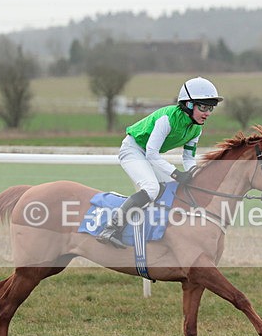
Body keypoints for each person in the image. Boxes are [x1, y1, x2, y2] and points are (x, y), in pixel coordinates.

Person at [96, 76, 223, 248]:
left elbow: (188, 157)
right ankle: (110, 229)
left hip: (149, 153)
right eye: (204, 107)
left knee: (172, 188)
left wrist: (194, 174)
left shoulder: (196, 128)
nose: (208, 113)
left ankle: (160, 232)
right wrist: (177, 173)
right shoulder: (167, 119)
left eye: (211, 108)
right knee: (152, 188)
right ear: (189, 104)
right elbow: (152, 153)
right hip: (133, 150)